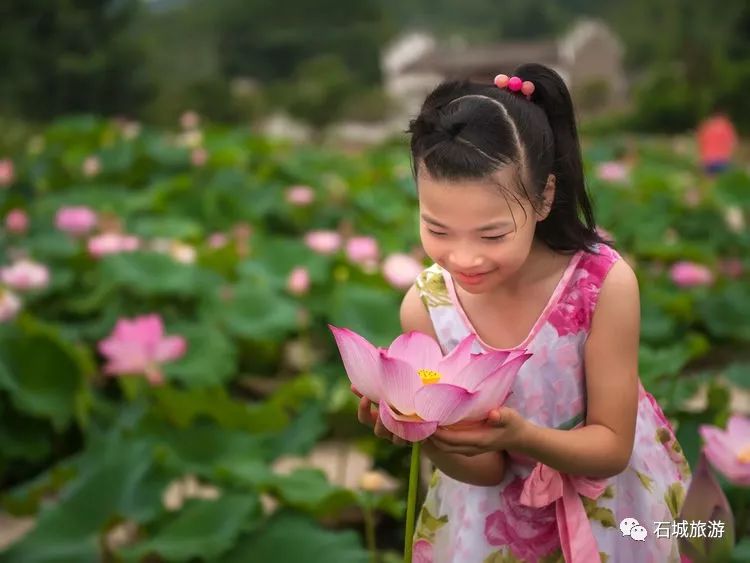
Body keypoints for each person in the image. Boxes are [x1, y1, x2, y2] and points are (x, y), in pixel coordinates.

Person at [355, 64, 691, 562]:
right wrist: (423, 434)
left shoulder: (602, 285)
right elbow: (486, 470)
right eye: (437, 230)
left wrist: (523, 436)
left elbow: (612, 448)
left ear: (543, 198)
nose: (464, 258)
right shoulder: (427, 306)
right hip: (488, 523)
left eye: (491, 235)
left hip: (610, 509)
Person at [697, 111, 738, 176]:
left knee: (709, 183)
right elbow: (733, 143)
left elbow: (700, 142)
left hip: (708, 159)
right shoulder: (727, 127)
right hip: (722, 159)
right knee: (722, 182)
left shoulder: (707, 126)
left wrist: (701, 158)